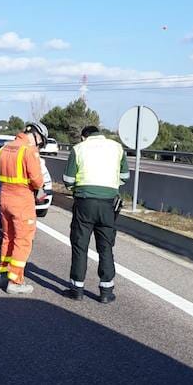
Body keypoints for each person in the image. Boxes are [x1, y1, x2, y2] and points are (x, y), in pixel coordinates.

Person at [62, 125, 130, 303]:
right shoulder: (117, 148)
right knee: (106, 247)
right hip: (108, 204)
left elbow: (68, 180)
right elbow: (124, 176)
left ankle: (77, 289)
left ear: (84, 137)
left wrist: (79, 187)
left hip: (84, 203)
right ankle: (106, 291)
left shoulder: (78, 149)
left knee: (80, 245)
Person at [0, 122, 47, 296]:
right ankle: (15, 281)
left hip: (4, 197)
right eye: (40, 142)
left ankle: (3, 274)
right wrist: (40, 187)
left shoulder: (4, 148)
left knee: (8, 237)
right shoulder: (28, 150)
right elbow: (37, 180)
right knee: (23, 240)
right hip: (22, 199)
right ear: (37, 136)